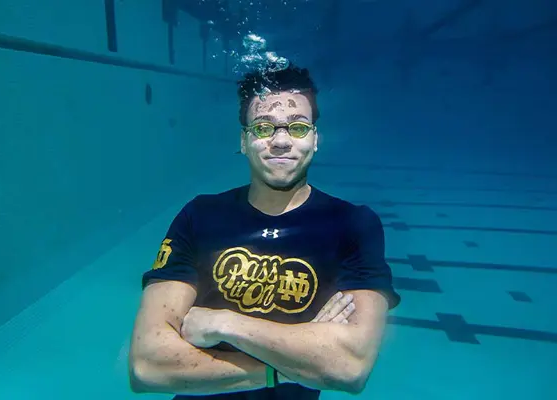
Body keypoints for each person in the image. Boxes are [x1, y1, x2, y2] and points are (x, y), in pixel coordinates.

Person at [128, 63, 401, 399]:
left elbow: (349, 367)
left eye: (298, 128)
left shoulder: (352, 224)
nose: (281, 141)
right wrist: (291, 368)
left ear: (315, 139)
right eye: (263, 128)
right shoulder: (200, 215)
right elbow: (148, 365)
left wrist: (223, 323)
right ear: (244, 141)